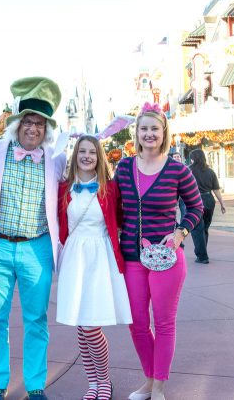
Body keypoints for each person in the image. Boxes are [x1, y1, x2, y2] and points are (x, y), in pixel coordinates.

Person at [0, 77, 65, 400]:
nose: (33, 129)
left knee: (36, 320)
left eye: (40, 124)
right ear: (17, 125)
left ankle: (35, 385)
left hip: (37, 248)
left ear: (47, 130)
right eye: (28, 122)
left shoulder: (56, 160)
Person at [115, 102, 203, 400]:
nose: (149, 134)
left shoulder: (178, 170)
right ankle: (149, 381)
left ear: (163, 132)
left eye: (154, 128)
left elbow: (196, 206)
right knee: (137, 322)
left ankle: (159, 387)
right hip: (132, 256)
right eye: (144, 129)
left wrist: (181, 232)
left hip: (166, 258)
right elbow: (113, 206)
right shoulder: (124, 167)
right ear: (136, 133)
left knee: (164, 322)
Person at [56, 135, 131, 400]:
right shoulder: (63, 188)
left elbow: (123, 219)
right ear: (75, 155)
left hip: (100, 257)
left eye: (92, 152)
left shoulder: (110, 188)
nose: (87, 156)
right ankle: (93, 383)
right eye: (82, 151)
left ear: (99, 157)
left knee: (90, 325)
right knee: (80, 322)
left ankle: (104, 381)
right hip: (74, 256)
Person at [188, 149, 226, 264]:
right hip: (209, 200)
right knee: (205, 228)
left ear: (193, 159)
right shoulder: (210, 172)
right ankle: (202, 251)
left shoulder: (189, 171)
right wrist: (222, 203)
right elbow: (216, 190)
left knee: (196, 229)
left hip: (195, 201)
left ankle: (202, 255)